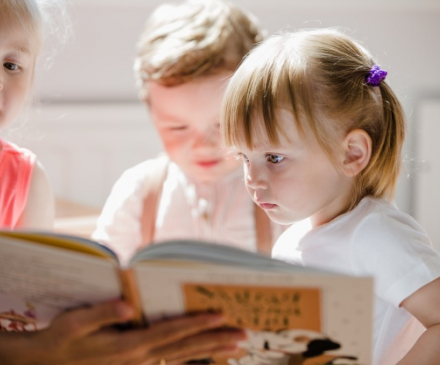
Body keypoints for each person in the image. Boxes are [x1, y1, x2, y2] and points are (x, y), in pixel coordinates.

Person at [0, 1, 245, 363]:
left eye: (10, 64)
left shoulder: (26, 182)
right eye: (178, 127)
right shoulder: (141, 190)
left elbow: (31, 317)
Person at [220, 28, 440, 365]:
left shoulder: (374, 233)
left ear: (351, 153)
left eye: (274, 158)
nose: (252, 180)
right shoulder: (293, 238)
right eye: (244, 158)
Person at [92, 0, 285, 264]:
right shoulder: (139, 190)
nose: (203, 145)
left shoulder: (279, 191)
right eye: (178, 128)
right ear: (152, 115)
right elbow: (101, 270)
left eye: (222, 125)